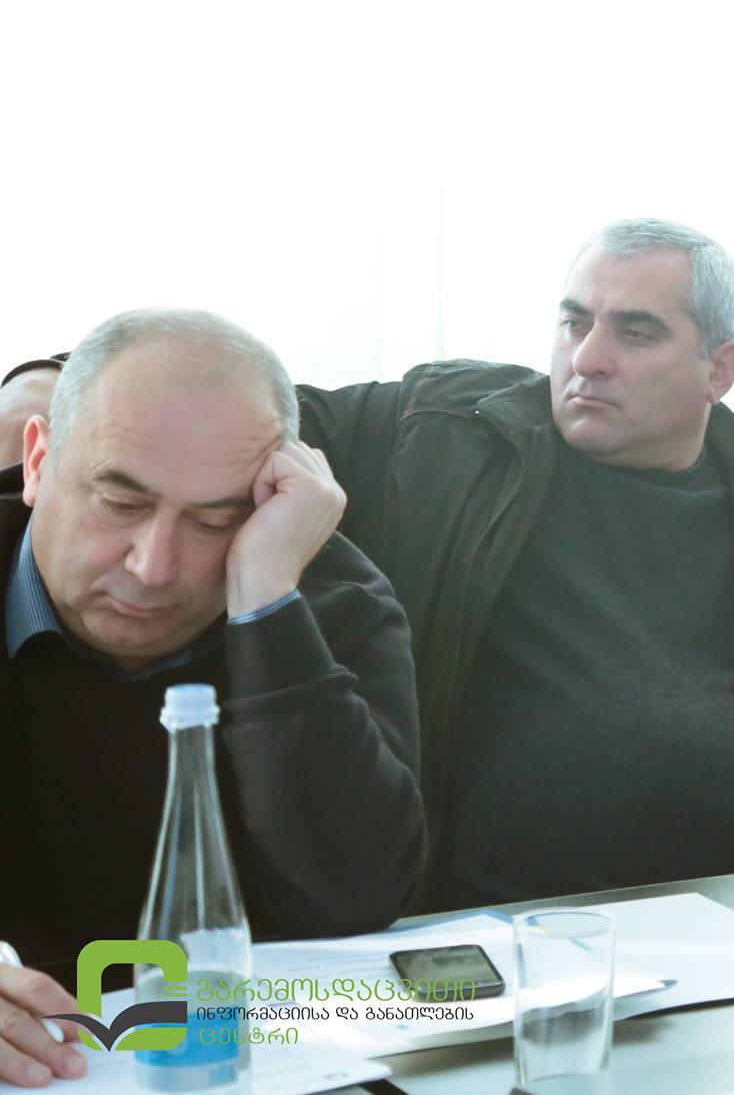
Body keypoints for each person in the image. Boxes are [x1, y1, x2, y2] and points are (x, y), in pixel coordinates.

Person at [280, 219, 734, 905]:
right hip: (499, 925)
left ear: (720, 369)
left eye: (636, 333)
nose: (588, 358)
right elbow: (259, 416)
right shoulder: (444, 429)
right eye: (575, 323)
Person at [0, 310, 422, 1086]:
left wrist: (264, 600)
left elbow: (355, 899)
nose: (154, 566)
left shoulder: (329, 604)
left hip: (246, 1060)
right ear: (37, 461)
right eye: (120, 502)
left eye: (214, 520)